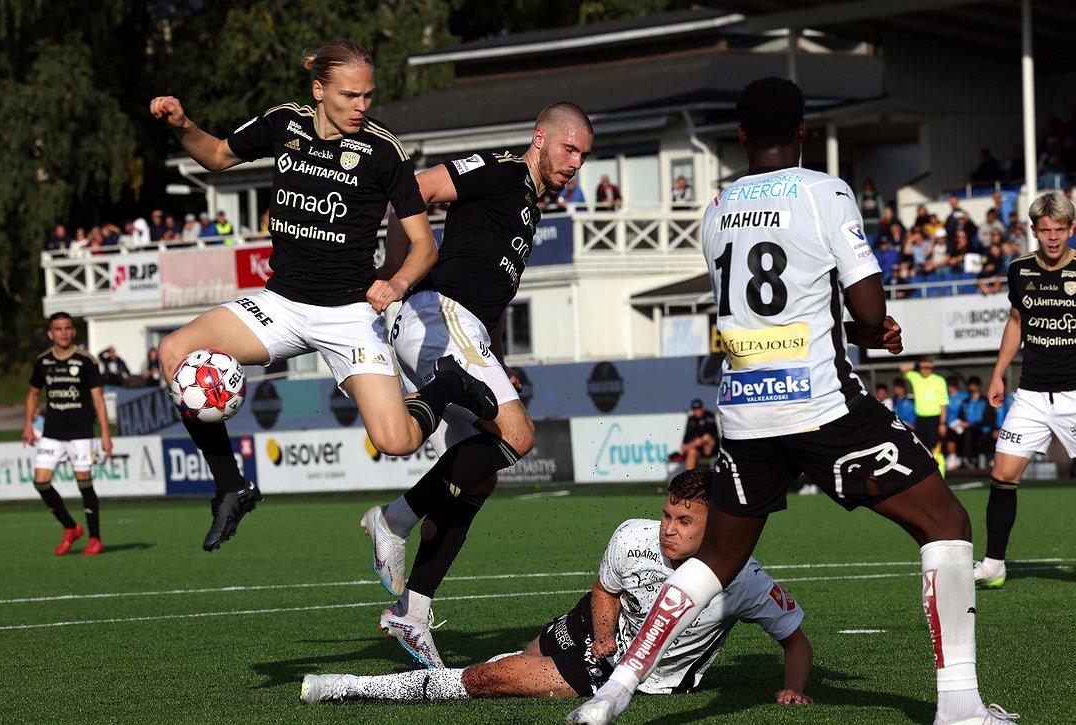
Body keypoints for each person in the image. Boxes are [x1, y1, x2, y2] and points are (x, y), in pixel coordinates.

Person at [567, 76, 1013, 725]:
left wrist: (857, 325)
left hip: (746, 410)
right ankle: (959, 706)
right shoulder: (823, 191)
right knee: (945, 523)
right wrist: (872, 329)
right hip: (820, 404)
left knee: (718, 556)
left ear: (740, 136)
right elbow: (866, 304)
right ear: (803, 131)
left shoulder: (716, 209)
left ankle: (614, 690)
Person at [149, 39, 498, 552]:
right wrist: (182, 124)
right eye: (351, 95)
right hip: (281, 306)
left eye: (368, 96)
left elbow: (425, 246)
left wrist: (397, 283)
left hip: (349, 315)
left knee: (397, 441)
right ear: (319, 91)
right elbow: (217, 155)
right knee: (172, 351)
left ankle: (448, 385)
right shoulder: (284, 123)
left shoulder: (384, 152)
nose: (362, 106)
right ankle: (231, 485)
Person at [360, 103, 594, 667]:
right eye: (570, 149)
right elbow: (412, 190)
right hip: (438, 315)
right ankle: (391, 519)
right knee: (519, 434)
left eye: (584, 156)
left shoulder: (528, 202)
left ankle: (412, 611)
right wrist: (398, 273)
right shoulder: (505, 168)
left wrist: (494, 356)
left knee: (480, 475)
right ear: (541, 139)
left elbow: (484, 280)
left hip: (465, 331)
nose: (577, 164)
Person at [307, 471, 812, 706]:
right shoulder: (632, 536)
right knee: (524, 657)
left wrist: (793, 687)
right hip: (597, 630)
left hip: (644, 677)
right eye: (666, 514)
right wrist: (603, 632)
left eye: (684, 521)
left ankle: (351, 688)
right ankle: (508, 665)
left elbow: (795, 640)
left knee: (493, 680)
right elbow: (604, 588)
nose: (668, 528)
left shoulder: (744, 579)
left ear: (718, 525)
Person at [975, 191, 1076, 589]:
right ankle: (994, 564)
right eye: (1045, 230)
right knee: (1002, 474)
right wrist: (999, 374)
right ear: (1034, 230)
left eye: (1060, 230)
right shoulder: (1019, 269)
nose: (1052, 238)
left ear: (1071, 229)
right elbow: (1016, 320)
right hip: (1031, 394)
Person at [22, 312, 113, 556]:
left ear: (73, 331)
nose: (63, 332)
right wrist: (28, 426)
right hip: (52, 431)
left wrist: (105, 434)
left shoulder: (86, 361)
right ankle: (71, 527)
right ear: (51, 333)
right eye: (58, 329)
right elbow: (32, 394)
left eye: (67, 328)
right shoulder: (43, 361)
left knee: (83, 481)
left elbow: (98, 399)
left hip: (81, 431)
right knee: (40, 482)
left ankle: (95, 538)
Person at [902, 357, 949, 453]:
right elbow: (903, 368)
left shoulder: (939, 380)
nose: (925, 370)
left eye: (928, 367)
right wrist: (917, 364)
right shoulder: (916, 377)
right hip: (920, 418)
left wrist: (942, 423)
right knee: (921, 445)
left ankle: (936, 466)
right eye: (923, 367)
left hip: (934, 418)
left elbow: (943, 403)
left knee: (934, 446)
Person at [676, 398, 718, 470]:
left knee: (705, 437)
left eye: (698, 409)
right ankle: (690, 478)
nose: (697, 411)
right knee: (692, 452)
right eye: (695, 409)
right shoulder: (691, 419)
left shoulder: (709, 416)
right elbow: (687, 433)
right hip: (699, 448)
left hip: (711, 446)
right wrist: (684, 443)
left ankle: (687, 448)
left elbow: (707, 430)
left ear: (702, 408)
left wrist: (691, 443)